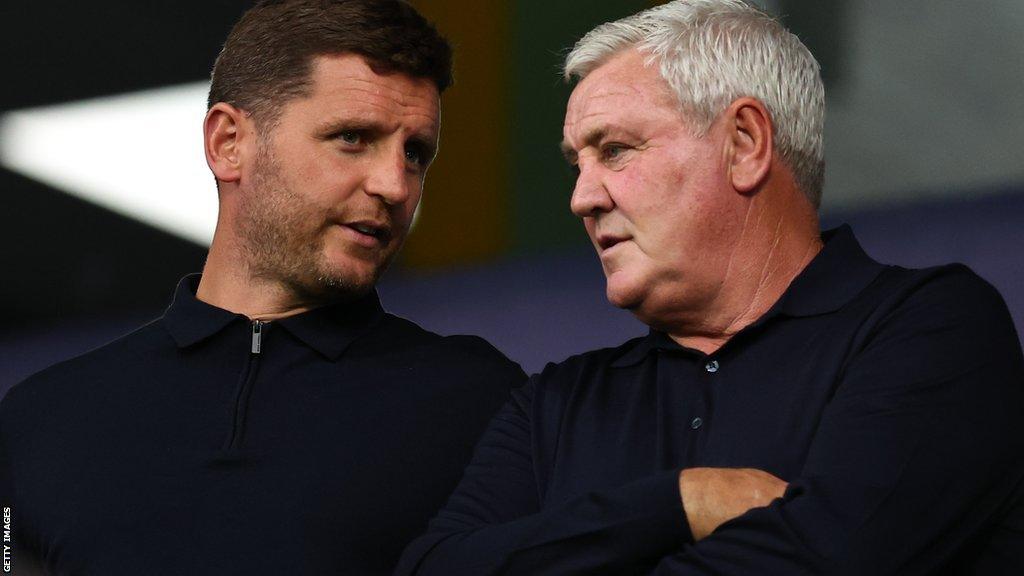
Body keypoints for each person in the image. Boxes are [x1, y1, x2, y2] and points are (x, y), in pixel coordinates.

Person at [395, 1, 1024, 574]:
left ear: (745, 144)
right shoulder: (556, 406)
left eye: (614, 150)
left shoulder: (933, 329)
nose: (581, 198)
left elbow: (829, 559)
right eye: (575, 164)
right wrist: (681, 501)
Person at [0, 1, 524, 574]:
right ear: (229, 143)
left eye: (415, 153)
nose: (394, 185)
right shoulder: (40, 421)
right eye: (352, 137)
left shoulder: (483, 403)